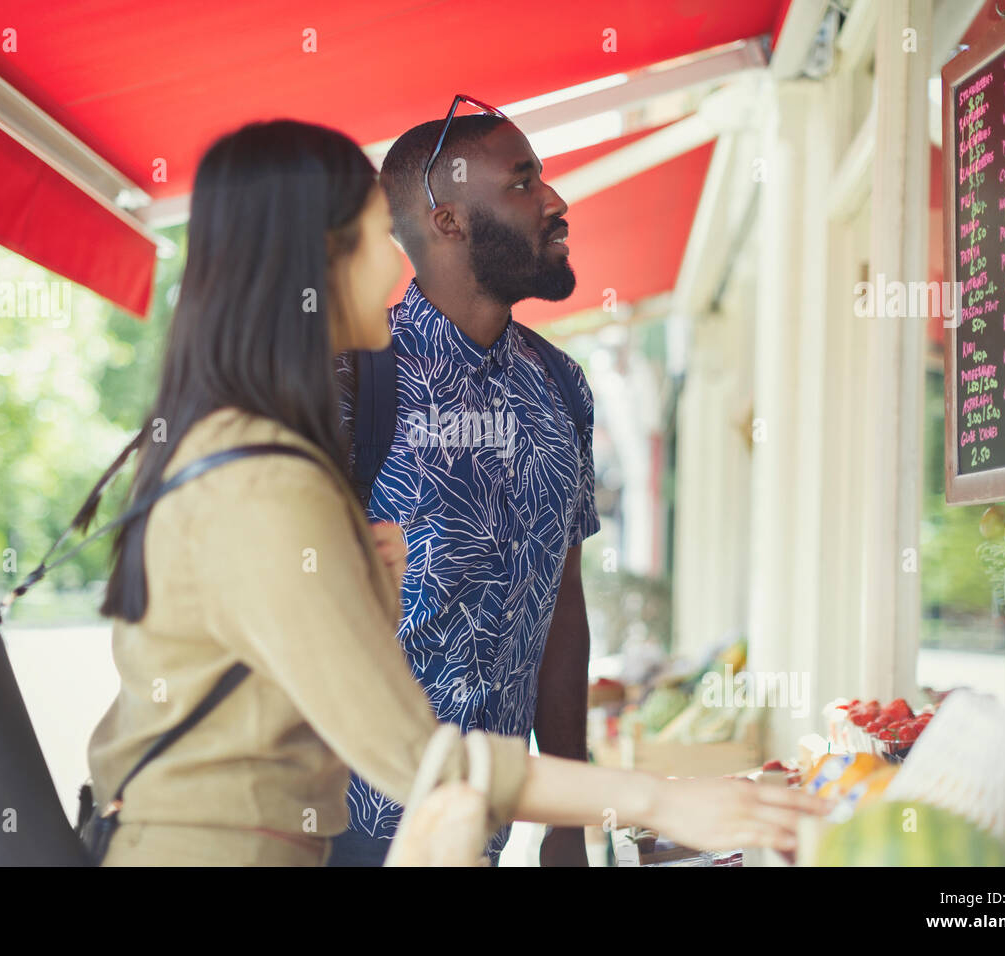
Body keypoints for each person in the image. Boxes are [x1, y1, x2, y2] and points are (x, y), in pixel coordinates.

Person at [84, 118, 828, 866]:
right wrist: (657, 799)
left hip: (437, 826)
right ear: (317, 258)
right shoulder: (272, 466)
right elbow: (410, 754)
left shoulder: (549, 388)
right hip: (323, 831)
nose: (394, 257)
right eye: (379, 234)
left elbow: (291, 630)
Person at [330, 103, 594, 867]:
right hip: (342, 838)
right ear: (447, 220)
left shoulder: (562, 385)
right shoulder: (353, 375)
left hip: (480, 837)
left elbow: (560, 605)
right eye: (523, 182)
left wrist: (568, 816)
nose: (555, 201)